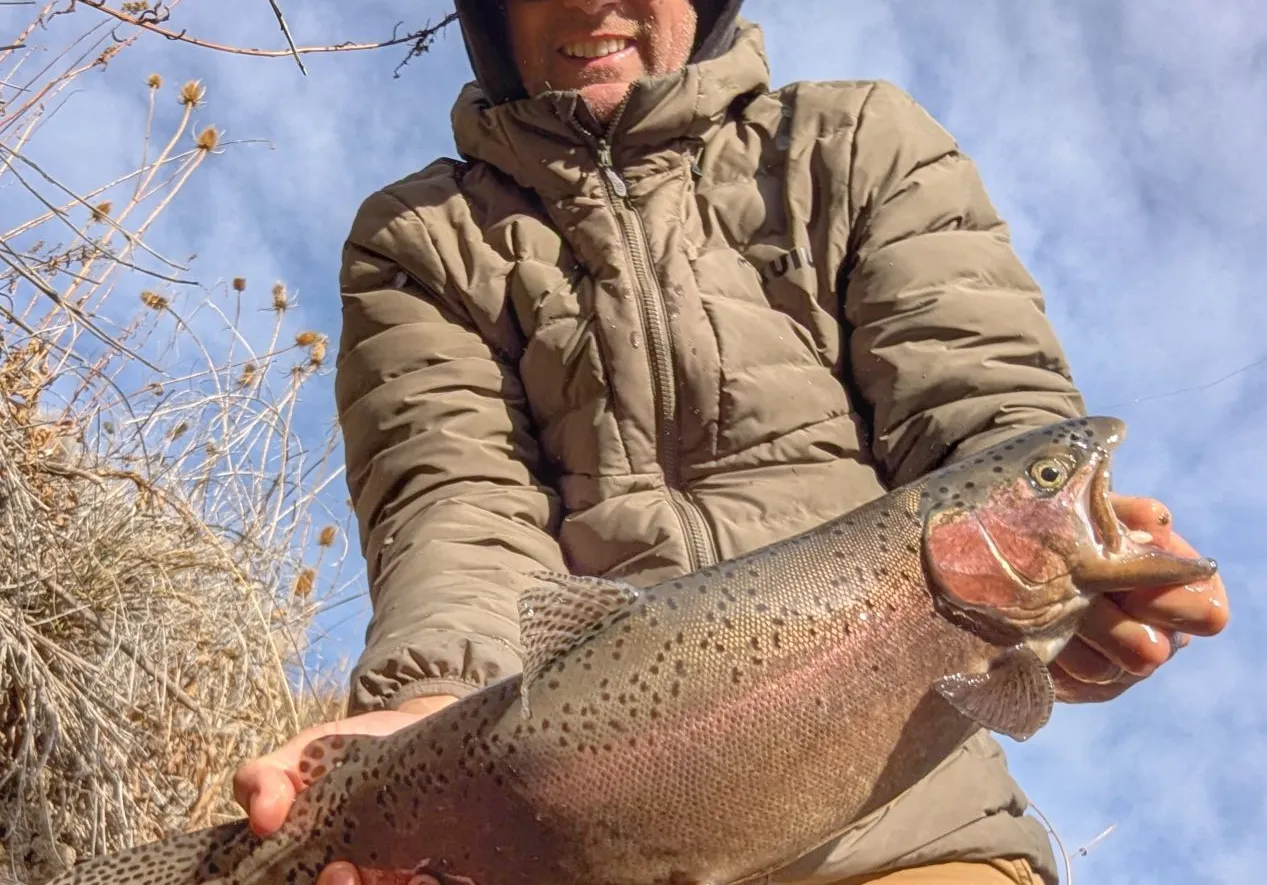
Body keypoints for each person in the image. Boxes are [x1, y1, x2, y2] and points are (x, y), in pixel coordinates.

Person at [233, 1, 1229, 883]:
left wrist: (1070, 566)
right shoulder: (418, 239)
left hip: (907, 837)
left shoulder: (853, 141)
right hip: (569, 835)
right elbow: (457, 505)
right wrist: (427, 712)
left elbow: (982, 413)